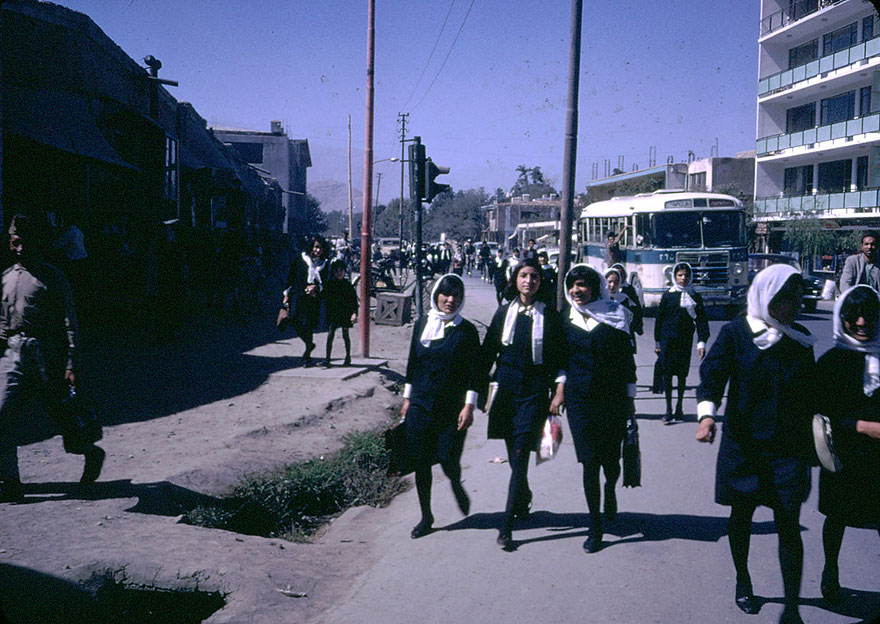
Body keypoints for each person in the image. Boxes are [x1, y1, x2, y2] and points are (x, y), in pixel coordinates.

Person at [696, 264, 815, 624]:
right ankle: (743, 580)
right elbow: (712, 375)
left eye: (797, 297)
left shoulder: (801, 338)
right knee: (742, 516)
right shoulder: (736, 333)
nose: (794, 305)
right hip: (744, 445)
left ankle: (791, 604)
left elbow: (814, 393)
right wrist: (706, 416)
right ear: (767, 296)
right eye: (786, 298)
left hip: (788, 450)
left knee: (789, 523)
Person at [0, 215, 104, 503]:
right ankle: (9, 481)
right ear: (11, 244)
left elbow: (69, 322)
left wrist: (71, 363)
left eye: (25, 243)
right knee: (2, 415)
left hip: (47, 357)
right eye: (16, 243)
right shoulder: (7, 279)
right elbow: (2, 322)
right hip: (13, 354)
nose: (20, 249)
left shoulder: (54, 278)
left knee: (64, 416)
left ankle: (89, 452)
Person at [480, 258, 566, 549]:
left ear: (542, 282)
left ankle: (506, 527)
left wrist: (558, 391)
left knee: (519, 454)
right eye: (524, 275)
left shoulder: (551, 317)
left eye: (535, 277)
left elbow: (560, 359)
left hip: (534, 393)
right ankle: (524, 491)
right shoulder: (504, 313)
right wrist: (476, 392)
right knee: (514, 454)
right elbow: (487, 353)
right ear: (515, 279)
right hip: (506, 392)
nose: (529, 281)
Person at [560, 264, 635, 553]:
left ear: (595, 287)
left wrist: (630, 400)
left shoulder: (616, 316)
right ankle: (595, 527)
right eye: (572, 285)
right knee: (589, 462)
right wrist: (559, 391)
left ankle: (611, 489)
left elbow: (627, 363)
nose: (577, 291)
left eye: (582, 285)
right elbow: (561, 360)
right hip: (580, 401)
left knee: (611, 461)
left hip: (612, 399)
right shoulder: (565, 320)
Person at [814, 285, 880, 603]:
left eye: (870, 316)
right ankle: (831, 570)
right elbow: (817, 414)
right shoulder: (831, 362)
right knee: (837, 517)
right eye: (854, 316)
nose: (863, 322)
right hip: (844, 454)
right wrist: (862, 426)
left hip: (878, 458)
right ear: (843, 319)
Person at [401, 274, 480, 538]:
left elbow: (474, 373)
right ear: (436, 295)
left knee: (447, 457)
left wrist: (469, 406)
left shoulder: (466, 331)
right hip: (420, 403)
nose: (450, 300)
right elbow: (413, 362)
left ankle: (456, 481)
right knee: (421, 462)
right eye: (445, 294)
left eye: (456, 295)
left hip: (450, 407)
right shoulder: (423, 323)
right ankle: (426, 516)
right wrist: (406, 398)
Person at [655, 262, 709, 423]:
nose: (683, 278)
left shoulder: (694, 297)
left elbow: (701, 321)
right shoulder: (668, 295)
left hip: (684, 341)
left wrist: (701, 343)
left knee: (682, 376)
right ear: (675, 277)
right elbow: (660, 320)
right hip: (667, 342)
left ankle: (679, 408)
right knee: (667, 375)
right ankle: (668, 409)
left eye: (686, 275)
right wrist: (657, 342)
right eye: (680, 275)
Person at [284, 235, 330, 367]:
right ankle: (310, 344)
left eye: (320, 248)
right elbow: (291, 276)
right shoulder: (300, 259)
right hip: (298, 295)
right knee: (294, 320)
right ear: (311, 246)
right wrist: (286, 293)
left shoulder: (324, 264)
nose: (318, 250)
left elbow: (326, 282)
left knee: (309, 325)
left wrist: (316, 287)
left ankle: (307, 357)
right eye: (316, 247)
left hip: (314, 298)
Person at [322, 259, 358, 368]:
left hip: (345, 313)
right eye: (336, 271)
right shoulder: (330, 284)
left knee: (345, 335)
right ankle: (327, 358)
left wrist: (354, 313)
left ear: (345, 271)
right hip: (333, 312)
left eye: (341, 270)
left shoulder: (348, 285)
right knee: (330, 334)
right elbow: (323, 296)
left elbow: (354, 302)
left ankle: (348, 357)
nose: (339, 273)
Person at [605, 266, 642, 352]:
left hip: (623, 340)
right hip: (605, 341)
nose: (612, 285)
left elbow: (632, 317)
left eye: (616, 281)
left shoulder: (625, 299)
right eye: (610, 281)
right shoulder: (600, 299)